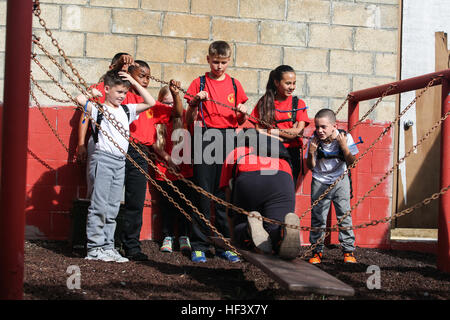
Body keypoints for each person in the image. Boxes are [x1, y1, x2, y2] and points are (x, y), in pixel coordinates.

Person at [75, 69, 157, 262]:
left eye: (124, 92)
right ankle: (95, 248)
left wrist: (134, 83)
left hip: (120, 162)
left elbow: (151, 102)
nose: (122, 96)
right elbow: (79, 99)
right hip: (103, 159)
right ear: (107, 89)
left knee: (112, 208)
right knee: (99, 206)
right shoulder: (98, 109)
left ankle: (108, 246)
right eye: (119, 92)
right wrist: (90, 95)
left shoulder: (126, 110)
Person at [184, 40, 248, 263]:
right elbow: (187, 119)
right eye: (215, 62)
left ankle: (224, 244)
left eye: (223, 62)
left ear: (229, 61)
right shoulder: (199, 82)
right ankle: (199, 245)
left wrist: (243, 112)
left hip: (228, 138)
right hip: (204, 136)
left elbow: (241, 120)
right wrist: (194, 102)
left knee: (222, 196)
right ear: (208, 59)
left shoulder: (234, 85)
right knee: (202, 193)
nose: (219, 66)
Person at [121, 71, 183, 261]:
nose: (146, 80)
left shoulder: (151, 104)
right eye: (141, 76)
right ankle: (109, 243)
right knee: (111, 198)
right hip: (119, 147)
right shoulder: (124, 95)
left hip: (140, 151)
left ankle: (131, 246)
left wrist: (175, 94)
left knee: (136, 201)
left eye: (148, 77)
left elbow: (177, 113)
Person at [219, 129, 301, 260]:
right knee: (273, 231)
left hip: (249, 177)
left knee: (241, 227)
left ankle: (247, 231)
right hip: (282, 178)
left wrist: (235, 236)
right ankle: (281, 232)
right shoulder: (278, 153)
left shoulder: (236, 152)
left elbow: (229, 199)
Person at [76, 53, 141, 199]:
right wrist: (81, 143)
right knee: (96, 187)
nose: (123, 73)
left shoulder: (126, 92)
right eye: (120, 69)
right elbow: (85, 115)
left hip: (121, 145)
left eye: (126, 71)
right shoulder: (101, 88)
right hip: (101, 142)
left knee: (115, 191)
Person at [306, 108, 359, 264]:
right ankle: (316, 251)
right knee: (318, 218)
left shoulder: (345, 137)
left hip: (340, 180)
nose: (319, 130)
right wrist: (311, 152)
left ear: (334, 126)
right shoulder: (314, 140)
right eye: (317, 127)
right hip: (319, 180)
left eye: (323, 127)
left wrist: (344, 146)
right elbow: (311, 166)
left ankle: (348, 251)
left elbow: (352, 163)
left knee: (344, 216)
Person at [250, 65, 309, 187]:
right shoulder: (265, 102)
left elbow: (298, 132)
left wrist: (271, 132)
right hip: (269, 151)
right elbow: (258, 129)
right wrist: (285, 134)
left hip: (291, 154)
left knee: (287, 189)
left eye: (294, 83)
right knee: (268, 188)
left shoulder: (298, 103)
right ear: (276, 82)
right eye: (288, 83)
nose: (292, 87)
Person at [153, 86, 194, 254]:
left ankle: (184, 236)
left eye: (173, 103)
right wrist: (168, 159)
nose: (170, 106)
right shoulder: (156, 116)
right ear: (160, 102)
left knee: (185, 203)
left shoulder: (184, 115)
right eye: (165, 103)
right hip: (165, 166)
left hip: (184, 167)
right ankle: (168, 236)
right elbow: (154, 142)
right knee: (167, 204)